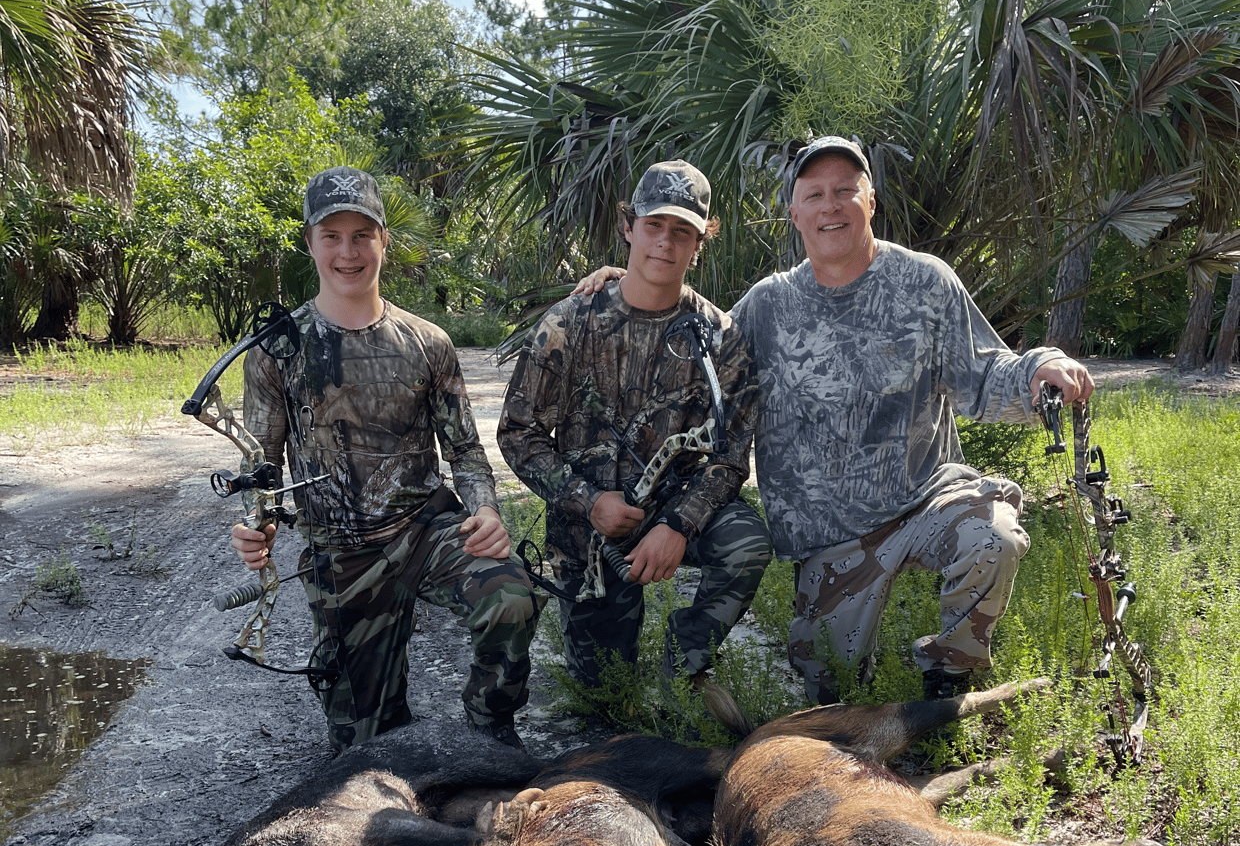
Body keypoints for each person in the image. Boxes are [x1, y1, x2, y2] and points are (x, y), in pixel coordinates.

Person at [577, 137, 1094, 702]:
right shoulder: (767, 306)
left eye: (845, 191)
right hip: (830, 536)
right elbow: (697, 352)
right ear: (794, 214)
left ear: (870, 201)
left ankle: (949, 674)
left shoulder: (926, 281)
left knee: (993, 539)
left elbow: (985, 372)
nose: (831, 206)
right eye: (815, 194)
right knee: (830, 690)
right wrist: (630, 284)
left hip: (926, 500)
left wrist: (1041, 367)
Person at [230, 166, 541, 751]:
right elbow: (261, 468)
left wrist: (486, 511)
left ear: (383, 241)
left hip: (427, 532)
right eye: (332, 236)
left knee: (509, 596)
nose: (347, 253)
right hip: (342, 552)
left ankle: (492, 733)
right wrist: (255, 527)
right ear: (310, 242)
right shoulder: (277, 349)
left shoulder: (427, 341)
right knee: (364, 747)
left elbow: (465, 450)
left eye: (362, 236)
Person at [498, 159, 771, 691]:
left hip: (673, 509)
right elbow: (518, 434)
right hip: (590, 530)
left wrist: (678, 524)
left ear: (699, 244)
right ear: (628, 228)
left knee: (746, 545)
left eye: (682, 231)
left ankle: (685, 660)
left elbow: (730, 456)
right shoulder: (569, 322)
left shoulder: (721, 337)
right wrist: (587, 500)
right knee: (604, 691)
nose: (665, 243)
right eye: (654, 225)